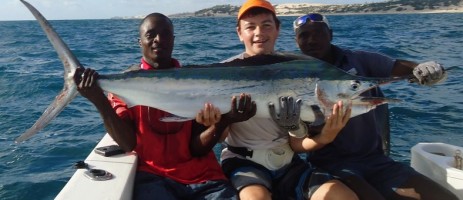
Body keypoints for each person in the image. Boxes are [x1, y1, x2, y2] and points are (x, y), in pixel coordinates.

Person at [73, 13, 243, 200]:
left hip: (206, 179)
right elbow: (127, 144)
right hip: (154, 178)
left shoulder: (196, 81)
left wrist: (222, 122)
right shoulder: (124, 86)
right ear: (140, 42)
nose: (158, 40)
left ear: (173, 40)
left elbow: (197, 149)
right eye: (150, 34)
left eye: (165, 34)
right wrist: (99, 100)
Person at [292, 13, 458, 200]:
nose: (312, 40)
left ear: (331, 34)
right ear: (296, 41)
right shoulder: (292, 74)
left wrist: (427, 70)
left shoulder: (359, 60)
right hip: (330, 167)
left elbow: (402, 69)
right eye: (304, 35)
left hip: (377, 162)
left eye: (318, 33)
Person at [204, 1, 359, 200]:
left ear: (278, 29)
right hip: (243, 162)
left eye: (266, 25)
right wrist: (223, 120)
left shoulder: (297, 70)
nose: (259, 32)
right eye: (250, 27)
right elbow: (220, 136)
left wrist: (326, 134)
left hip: (288, 161)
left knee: (343, 196)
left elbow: (296, 144)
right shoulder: (222, 73)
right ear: (239, 33)